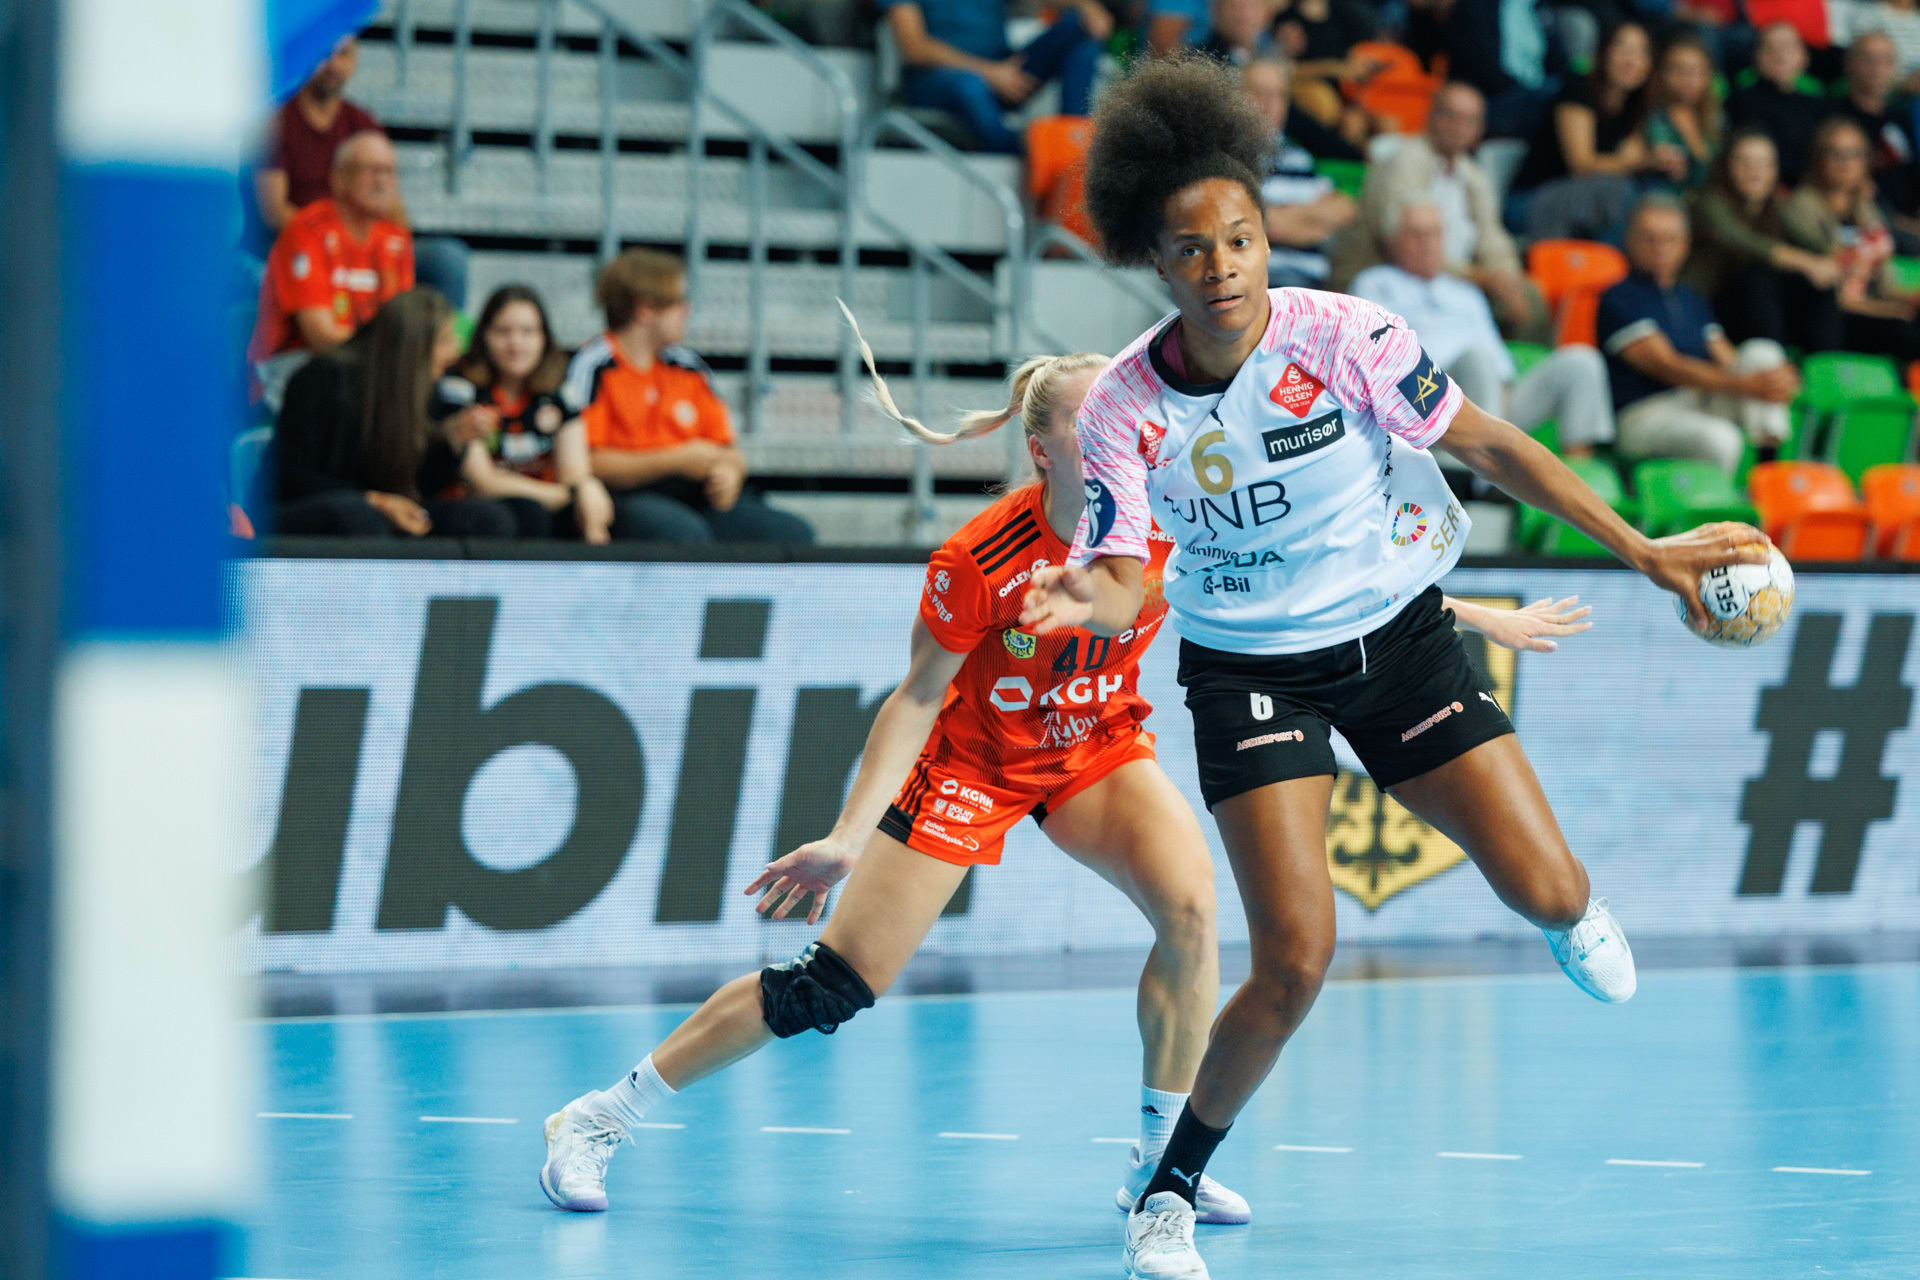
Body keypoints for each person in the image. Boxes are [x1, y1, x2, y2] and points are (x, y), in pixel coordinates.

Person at [536, 313, 1594, 1230]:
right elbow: (915, 698)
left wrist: (1479, 613)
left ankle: (1160, 1167)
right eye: (1099, 421)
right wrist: (848, 838)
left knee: (1191, 908)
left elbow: (1306, 584)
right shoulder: (979, 561)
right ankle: (600, 1115)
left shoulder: (1171, 511)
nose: (1134, 430)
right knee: (831, 987)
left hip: (1095, 747)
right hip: (977, 763)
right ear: (1042, 448)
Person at [1019, 57, 1771, 1280]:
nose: (1222, 267)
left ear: (1268, 238)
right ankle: (1168, 1192)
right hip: (1250, 669)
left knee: (1549, 887)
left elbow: (1492, 443)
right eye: (1192, 249)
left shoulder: (1346, 335)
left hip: (1401, 638)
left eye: (1240, 238)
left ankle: (1570, 912)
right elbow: (1117, 576)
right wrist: (1079, 602)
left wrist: (1642, 549)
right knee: (1295, 957)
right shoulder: (1121, 406)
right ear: (1154, 261)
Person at [565, 249, 814, 544]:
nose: (688, 309)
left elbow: (728, 449)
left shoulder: (688, 366)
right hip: (625, 495)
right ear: (645, 309)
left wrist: (730, 472)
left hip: (696, 493)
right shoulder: (595, 365)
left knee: (790, 533)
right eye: (678, 301)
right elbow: (586, 462)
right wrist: (676, 460)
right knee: (683, 535)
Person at [1352, 202, 1616, 458]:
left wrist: (1501, 386)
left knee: (1581, 361)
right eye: (1416, 234)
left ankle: (1577, 471)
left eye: (1434, 233)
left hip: (1493, 400)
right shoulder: (1374, 284)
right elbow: (1380, 357)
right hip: (1427, 401)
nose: (1427, 243)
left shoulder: (1466, 293)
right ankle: (1487, 472)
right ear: (1394, 241)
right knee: (1476, 360)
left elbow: (1497, 358)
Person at [268, 289, 517, 538]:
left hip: (385, 510)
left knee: (491, 519)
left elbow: (418, 489)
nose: (455, 352)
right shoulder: (320, 380)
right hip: (311, 508)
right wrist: (376, 501)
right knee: (360, 517)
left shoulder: (423, 388)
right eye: (445, 341)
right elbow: (293, 477)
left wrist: (453, 441)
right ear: (412, 347)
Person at [246, 34, 469, 307]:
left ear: (355, 60)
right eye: (325, 54)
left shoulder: (364, 124)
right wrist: (333, 243)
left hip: (360, 248)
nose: (334, 65)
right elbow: (273, 211)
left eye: (344, 54)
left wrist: (387, 248)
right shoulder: (276, 121)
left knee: (446, 259)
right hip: (291, 245)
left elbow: (393, 207)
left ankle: (441, 335)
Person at [1598, 196, 1801, 474]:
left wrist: (1777, 379)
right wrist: (1748, 385)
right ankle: (1726, 498)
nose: (1660, 248)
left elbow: (1729, 359)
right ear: (1630, 240)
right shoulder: (1619, 296)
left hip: (1694, 402)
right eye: (1649, 238)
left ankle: (1769, 465)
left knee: (1761, 352)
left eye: (1670, 239)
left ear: (1685, 244)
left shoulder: (1690, 298)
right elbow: (1668, 367)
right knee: (1722, 438)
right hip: (1643, 415)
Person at [1333, 82, 1547, 338]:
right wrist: (1480, 277)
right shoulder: (1403, 162)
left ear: (1480, 129)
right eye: (1451, 115)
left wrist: (1508, 279)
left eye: (1469, 120)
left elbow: (1492, 238)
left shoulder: (1474, 176)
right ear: (1431, 115)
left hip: (1458, 281)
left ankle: (1513, 363)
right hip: (1390, 278)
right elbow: (1408, 249)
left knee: (1530, 296)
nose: (1458, 127)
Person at [432, 285, 617, 542]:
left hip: (544, 503)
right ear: (483, 336)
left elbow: (574, 471)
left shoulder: (560, 390)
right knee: (531, 514)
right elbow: (484, 482)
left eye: (528, 332)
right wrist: (574, 495)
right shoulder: (461, 387)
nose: (516, 344)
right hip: (473, 507)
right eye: (503, 332)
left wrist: (585, 489)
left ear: (544, 338)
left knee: (594, 512)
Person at [248, 131, 413, 413]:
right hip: (293, 366)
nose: (382, 181)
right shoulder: (308, 230)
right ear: (339, 178)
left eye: (389, 172)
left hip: (364, 366)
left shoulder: (396, 238)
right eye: (372, 171)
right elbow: (321, 336)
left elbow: (403, 326)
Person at [880, 0, 1109, 154]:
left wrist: (1086, 6)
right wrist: (989, 72)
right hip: (934, 81)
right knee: (970, 84)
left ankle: (1074, 152)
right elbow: (914, 49)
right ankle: (1018, 156)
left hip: (1005, 73)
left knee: (1081, 32)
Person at [1685, 128, 1844, 349]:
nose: (1754, 171)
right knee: (1758, 277)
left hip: (1759, 311)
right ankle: (1771, 360)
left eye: (1764, 163)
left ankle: (1823, 360)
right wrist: (1808, 263)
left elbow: (1814, 246)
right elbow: (1745, 242)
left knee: (1817, 285)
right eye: (1744, 162)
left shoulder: (1776, 208)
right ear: (1726, 166)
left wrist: (1830, 263)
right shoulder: (1710, 203)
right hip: (1707, 308)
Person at [1782, 118, 1920, 359]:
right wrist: (1888, 310)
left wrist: (1911, 299)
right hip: (1829, 319)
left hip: (1870, 309)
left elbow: (1882, 281)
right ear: (1819, 158)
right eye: (1836, 154)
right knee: (1907, 333)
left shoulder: (1867, 209)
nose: (1846, 163)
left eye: (1855, 155)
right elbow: (1830, 291)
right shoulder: (1800, 207)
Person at [1508, 21, 1657, 242]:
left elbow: (1628, 160)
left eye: (1641, 53)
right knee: (1618, 190)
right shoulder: (1578, 90)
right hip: (1533, 200)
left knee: (1652, 195)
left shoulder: (1636, 105)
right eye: (1622, 48)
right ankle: (1613, 263)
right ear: (1603, 52)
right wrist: (1643, 161)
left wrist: (1644, 162)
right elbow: (1581, 164)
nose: (1631, 60)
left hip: (1590, 204)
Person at [1242, 56, 1357, 288]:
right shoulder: (1227, 156)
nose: (1270, 103)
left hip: (1312, 290)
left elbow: (1344, 210)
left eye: (1279, 95)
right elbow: (1247, 225)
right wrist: (1311, 220)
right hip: (1257, 288)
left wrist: (1281, 216)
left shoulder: (1298, 157)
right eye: (1260, 92)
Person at [1727, 22, 1834, 186]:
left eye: (1787, 47)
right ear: (1756, 56)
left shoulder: (1820, 106)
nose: (1779, 55)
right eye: (1769, 48)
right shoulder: (1738, 101)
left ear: (1804, 56)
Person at [1834, 31, 1920, 231]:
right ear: (1848, 63)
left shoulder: (1902, 116)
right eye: (1868, 59)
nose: (1877, 68)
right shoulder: (1834, 118)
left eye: (1885, 60)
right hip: (1865, 222)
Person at [1643, 31, 1723, 191]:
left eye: (1696, 71)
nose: (1688, 79)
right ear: (1663, 73)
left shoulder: (1718, 118)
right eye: (1679, 70)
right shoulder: (1653, 117)